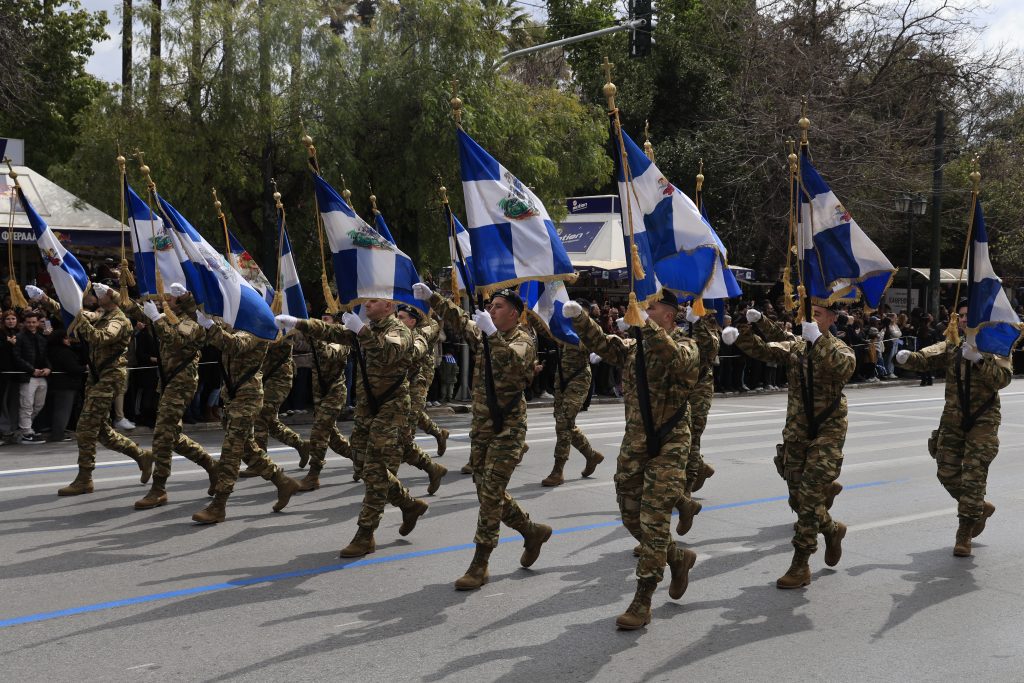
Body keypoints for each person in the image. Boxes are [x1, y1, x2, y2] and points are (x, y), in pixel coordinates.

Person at [565, 289, 700, 630]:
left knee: (654, 519)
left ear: (669, 314)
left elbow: (676, 361)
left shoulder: (687, 346)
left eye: (649, 307)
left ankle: (642, 599)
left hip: (670, 442)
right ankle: (677, 557)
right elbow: (602, 342)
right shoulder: (633, 348)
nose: (642, 312)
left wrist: (646, 328)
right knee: (630, 514)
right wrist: (579, 316)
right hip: (636, 442)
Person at [416, 283, 553, 591]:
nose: (491, 311)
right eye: (490, 307)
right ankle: (531, 530)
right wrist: (433, 297)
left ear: (515, 315)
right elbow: (457, 318)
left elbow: (515, 362)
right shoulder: (483, 332)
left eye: (498, 307)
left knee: (490, 491)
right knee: (484, 490)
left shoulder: (523, 339)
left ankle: (480, 563)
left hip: (508, 426)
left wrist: (491, 333)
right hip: (482, 427)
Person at [279, 299, 430, 557]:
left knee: (375, 470)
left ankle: (365, 535)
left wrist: (363, 332)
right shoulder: (365, 328)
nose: (367, 305)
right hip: (367, 407)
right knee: (361, 465)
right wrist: (299, 323)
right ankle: (408, 504)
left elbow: (390, 353)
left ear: (389, 307)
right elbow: (332, 332)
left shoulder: (398, 330)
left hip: (391, 407)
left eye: (373, 301)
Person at [736, 302, 855, 589]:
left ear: (831, 318)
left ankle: (801, 563)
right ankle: (831, 528)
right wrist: (740, 331)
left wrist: (819, 340)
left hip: (828, 431)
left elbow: (843, 369)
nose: (810, 319)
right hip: (798, 433)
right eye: (808, 313)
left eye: (817, 314)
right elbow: (764, 350)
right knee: (799, 499)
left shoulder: (841, 348)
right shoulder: (796, 347)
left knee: (811, 493)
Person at [895, 300, 1012, 557]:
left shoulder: (997, 347)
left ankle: (964, 533)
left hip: (983, 422)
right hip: (953, 420)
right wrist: (908, 358)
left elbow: (1002, 379)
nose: (963, 320)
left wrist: (980, 359)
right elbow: (928, 357)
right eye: (960, 316)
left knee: (972, 477)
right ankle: (979, 507)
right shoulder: (953, 346)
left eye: (968, 316)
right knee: (946, 471)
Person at [27, 284, 155, 496]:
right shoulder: (102, 314)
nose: (97, 295)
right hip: (97, 376)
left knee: (85, 427)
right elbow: (70, 312)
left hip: (110, 376)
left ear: (112, 298)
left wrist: (80, 320)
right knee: (102, 431)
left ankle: (85, 478)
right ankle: (141, 455)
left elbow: (100, 337)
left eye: (102, 293)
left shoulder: (119, 320)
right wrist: (43, 299)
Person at [190, 312, 301, 523]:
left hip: (247, 398)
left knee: (231, 450)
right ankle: (282, 481)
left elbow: (233, 345)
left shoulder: (258, 329)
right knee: (247, 448)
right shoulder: (235, 325)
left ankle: (218, 505)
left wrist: (209, 325)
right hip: (232, 396)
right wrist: (192, 306)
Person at [122, 286, 219, 509]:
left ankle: (159, 489)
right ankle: (212, 466)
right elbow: (139, 313)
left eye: (174, 296)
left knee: (163, 434)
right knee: (171, 434)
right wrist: (115, 294)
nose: (167, 298)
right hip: (167, 382)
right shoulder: (169, 317)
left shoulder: (193, 321)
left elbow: (176, 339)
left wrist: (156, 318)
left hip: (182, 382)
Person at [531, 311, 603, 487]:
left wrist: (596, 350)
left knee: (564, 423)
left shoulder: (587, 331)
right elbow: (545, 328)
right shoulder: (562, 329)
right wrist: (530, 312)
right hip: (561, 377)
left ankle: (558, 470)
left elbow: (600, 343)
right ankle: (591, 455)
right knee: (563, 422)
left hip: (578, 379)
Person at [293, 311, 355, 491]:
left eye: (326, 319)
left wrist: (315, 336)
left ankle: (313, 475)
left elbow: (329, 354)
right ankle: (362, 461)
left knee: (319, 431)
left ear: (335, 323)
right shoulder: (318, 337)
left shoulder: (343, 340)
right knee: (334, 439)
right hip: (320, 394)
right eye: (321, 319)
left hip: (334, 393)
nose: (322, 321)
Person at [395, 304, 448, 495]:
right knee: (409, 422)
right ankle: (438, 436)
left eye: (402, 317)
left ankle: (386, 486)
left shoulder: (425, 329)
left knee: (405, 431)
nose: (398, 320)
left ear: (413, 319)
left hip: (419, 380)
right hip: (401, 381)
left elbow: (430, 332)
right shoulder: (397, 331)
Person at [12, 309, 50, 443]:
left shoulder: (42, 337)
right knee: (26, 405)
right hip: (27, 377)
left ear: (37, 323)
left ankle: (26, 429)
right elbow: (16, 357)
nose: (31, 324)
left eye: (34, 322)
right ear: (24, 323)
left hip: (41, 376)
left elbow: (46, 356)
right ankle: (26, 431)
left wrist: (48, 368)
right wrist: (31, 370)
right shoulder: (19, 337)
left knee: (39, 405)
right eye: (28, 322)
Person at [45, 327, 86, 442]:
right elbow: (72, 368)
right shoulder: (64, 352)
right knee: (63, 410)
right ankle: (58, 434)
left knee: (59, 409)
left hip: (58, 384)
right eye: (66, 338)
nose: (69, 340)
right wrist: (84, 368)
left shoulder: (52, 350)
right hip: (65, 385)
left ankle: (58, 432)